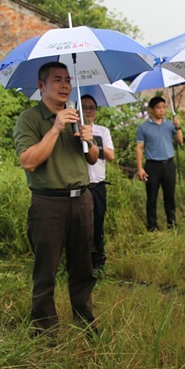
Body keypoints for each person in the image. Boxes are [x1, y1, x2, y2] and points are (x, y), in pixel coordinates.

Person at [14, 61, 99, 332]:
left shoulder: (76, 116)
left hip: (82, 199)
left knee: (83, 266)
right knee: (46, 269)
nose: (65, 86)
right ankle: (45, 328)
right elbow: (29, 161)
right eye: (57, 80)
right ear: (41, 86)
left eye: (67, 80)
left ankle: (84, 319)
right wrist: (55, 128)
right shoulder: (30, 119)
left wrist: (89, 139)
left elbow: (93, 158)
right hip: (48, 203)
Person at [136, 96, 183, 231]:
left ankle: (172, 224)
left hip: (168, 164)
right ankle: (152, 226)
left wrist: (178, 126)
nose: (162, 110)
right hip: (152, 165)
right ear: (151, 110)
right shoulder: (143, 127)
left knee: (170, 196)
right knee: (152, 197)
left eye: (163, 107)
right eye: (158, 108)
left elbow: (180, 140)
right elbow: (139, 148)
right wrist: (140, 168)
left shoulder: (169, 124)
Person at [81, 94, 115, 270]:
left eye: (91, 107)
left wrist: (93, 142)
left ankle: (98, 260)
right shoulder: (72, 130)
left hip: (98, 186)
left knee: (98, 222)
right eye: (84, 107)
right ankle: (81, 260)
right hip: (80, 186)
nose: (88, 111)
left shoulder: (103, 131)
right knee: (80, 225)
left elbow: (111, 156)